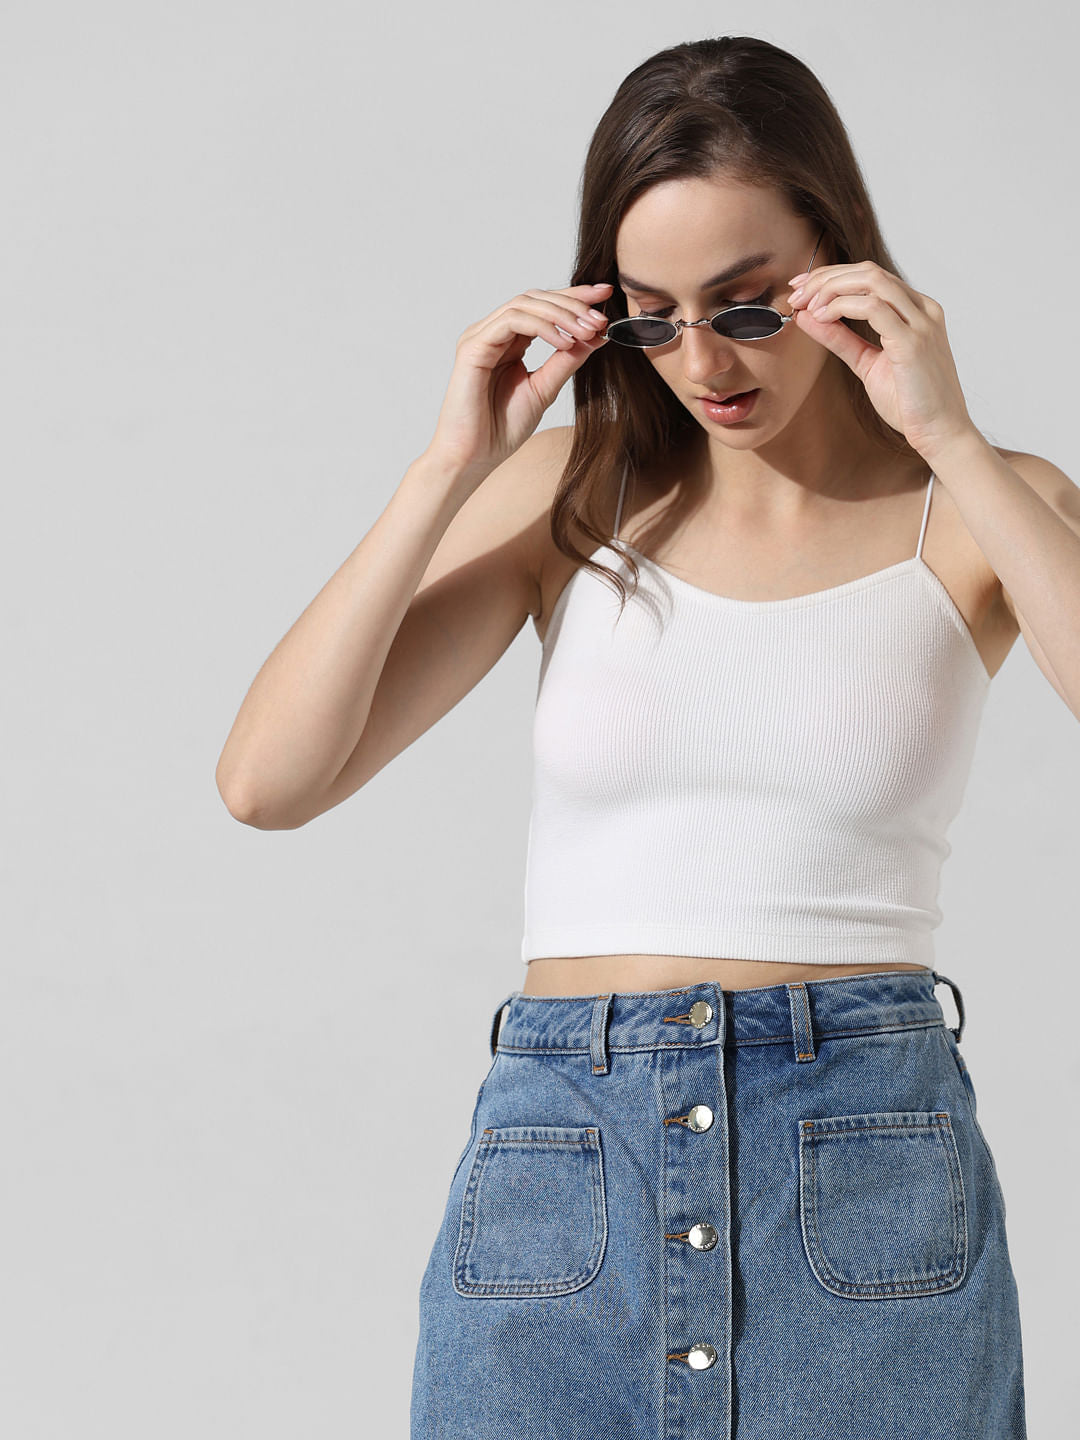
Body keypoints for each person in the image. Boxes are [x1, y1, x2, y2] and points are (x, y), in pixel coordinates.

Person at [216, 33, 1080, 1440]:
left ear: (840, 270)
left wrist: (956, 438)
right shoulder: (578, 493)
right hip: (568, 1153)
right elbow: (269, 780)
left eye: (747, 309)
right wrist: (452, 466)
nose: (700, 363)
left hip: (857, 1155)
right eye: (652, 317)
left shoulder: (980, 507)